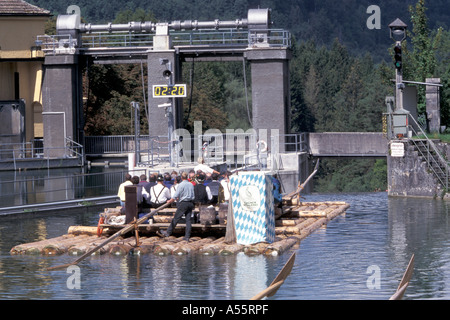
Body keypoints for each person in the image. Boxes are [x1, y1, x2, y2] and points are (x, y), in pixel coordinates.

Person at [157, 172, 195, 241]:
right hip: (190, 203)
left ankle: (168, 232)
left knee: (176, 218)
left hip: (183, 203)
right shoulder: (191, 185)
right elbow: (193, 195)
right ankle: (187, 236)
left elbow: (175, 195)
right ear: (187, 177)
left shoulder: (180, 185)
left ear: (181, 178)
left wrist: (170, 201)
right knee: (188, 220)